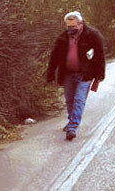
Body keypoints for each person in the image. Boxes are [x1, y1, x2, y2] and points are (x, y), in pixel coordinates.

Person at [46, 12, 105, 141]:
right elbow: (54, 57)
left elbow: (100, 56)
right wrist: (50, 73)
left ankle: (72, 127)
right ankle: (71, 120)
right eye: (68, 26)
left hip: (85, 74)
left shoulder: (93, 36)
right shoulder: (62, 38)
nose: (70, 29)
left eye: (73, 26)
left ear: (81, 23)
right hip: (67, 74)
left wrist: (99, 76)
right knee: (69, 100)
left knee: (79, 100)